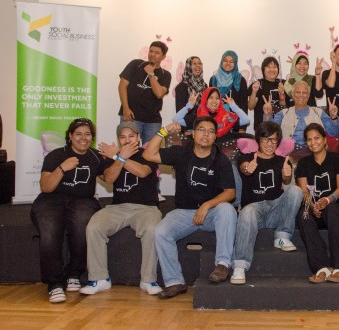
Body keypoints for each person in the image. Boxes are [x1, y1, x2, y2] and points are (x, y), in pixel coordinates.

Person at [143, 117, 237, 298]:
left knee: (227, 210)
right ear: (193, 134)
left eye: (211, 131)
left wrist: (207, 205)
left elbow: (230, 192)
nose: (206, 134)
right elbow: (148, 155)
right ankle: (175, 282)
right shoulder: (181, 153)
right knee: (161, 232)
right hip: (184, 212)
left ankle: (223, 264)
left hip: (211, 213)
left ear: (215, 137)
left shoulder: (221, 159)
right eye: (201, 129)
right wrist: (164, 131)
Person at [30, 118, 112, 303]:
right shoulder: (56, 155)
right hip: (51, 200)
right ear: (70, 136)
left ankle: (74, 273)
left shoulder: (96, 156)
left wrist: (117, 157)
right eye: (78, 134)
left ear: (92, 137)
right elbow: (46, 187)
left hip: (82, 200)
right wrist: (61, 168)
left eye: (87, 134)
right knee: (50, 232)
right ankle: (54, 283)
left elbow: (109, 179)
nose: (83, 138)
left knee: (84, 226)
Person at [80, 122, 162, 296]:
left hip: (146, 208)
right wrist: (118, 158)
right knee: (94, 227)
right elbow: (109, 179)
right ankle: (100, 279)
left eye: (131, 136)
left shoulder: (148, 154)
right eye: (123, 137)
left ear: (138, 138)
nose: (127, 140)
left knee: (152, 229)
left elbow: (142, 172)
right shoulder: (110, 158)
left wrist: (118, 155)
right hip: (117, 207)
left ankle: (148, 280)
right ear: (118, 140)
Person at [230, 121, 303, 284]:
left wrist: (287, 175)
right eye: (265, 139)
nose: (269, 144)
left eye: (273, 140)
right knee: (247, 211)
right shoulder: (247, 157)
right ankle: (240, 266)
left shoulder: (283, 161)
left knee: (296, 190)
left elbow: (286, 180)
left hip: (275, 209)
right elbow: (244, 168)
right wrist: (248, 169)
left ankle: (282, 236)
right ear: (258, 139)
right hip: (254, 212)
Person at [296, 123, 339, 283]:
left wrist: (327, 200)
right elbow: (304, 192)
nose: (313, 142)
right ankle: (322, 267)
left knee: (332, 208)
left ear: (324, 139)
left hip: (338, 209)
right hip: (315, 210)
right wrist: (312, 206)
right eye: (309, 139)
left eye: (317, 138)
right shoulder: (303, 163)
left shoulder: (338, 160)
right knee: (303, 214)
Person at [118, 41, 172, 144]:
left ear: (163, 57)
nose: (152, 54)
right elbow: (122, 86)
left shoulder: (166, 74)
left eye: (157, 52)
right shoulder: (136, 64)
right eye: (151, 51)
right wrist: (125, 108)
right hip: (131, 117)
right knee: (129, 148)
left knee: (150, 150)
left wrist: (151, 74)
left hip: (152, 121)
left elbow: (159, 94)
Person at [265, 81, 339, 147]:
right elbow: (270, 133)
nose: (301, 95)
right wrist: (268, 116)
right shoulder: (283, 114)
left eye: (304, 93)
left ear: (308, 95)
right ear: (292, 94)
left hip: (314, 153)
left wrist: (334, 117)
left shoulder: (319, 112)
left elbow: (334, 132)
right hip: (289, 154)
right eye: (298, 92)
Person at [173, 87, 249, 137]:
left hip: (223, 153)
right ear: (205, 99)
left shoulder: (227, 117)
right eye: (211, 98)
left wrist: (233, 106)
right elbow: (176, 119)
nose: (214, 101)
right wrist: (189, 105)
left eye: (217, 98)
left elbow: (246, 120)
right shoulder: (198, 116)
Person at [209, 50, 248, 131]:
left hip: (236, 122)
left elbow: (244, 104)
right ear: (221, 61)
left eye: (231, 62)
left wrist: (242, 127)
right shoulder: (213, 80)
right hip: (217, 123)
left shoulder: (240, 80)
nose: (228, 63)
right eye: (225, 60)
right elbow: (210, 102)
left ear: (235, 63)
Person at [247, 56, 288, 129]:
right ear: (263, 69)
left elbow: (285, 107)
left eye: (274, 67)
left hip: (280, 127)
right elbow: (250, 106)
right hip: (262, 127)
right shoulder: (258, 84)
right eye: (268, 67)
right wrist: (254, 92)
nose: (272, 70)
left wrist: (282, 93)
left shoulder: (283, 83)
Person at [174, 56, 207, 132]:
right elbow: (180, 111)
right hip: (187, 127)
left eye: (200, 63)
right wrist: (186, 130)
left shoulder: (204, 86)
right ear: (189, 67)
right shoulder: (181, 86)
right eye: (194, 64)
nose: (198, 66)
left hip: (202, 127)